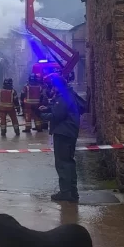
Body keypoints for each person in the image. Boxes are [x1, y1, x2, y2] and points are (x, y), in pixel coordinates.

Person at [39, 74, 80, 202]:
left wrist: (40, 114)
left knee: (62, 164)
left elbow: (57, 115)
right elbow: (61, 109)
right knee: (69, 163)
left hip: (63, 133)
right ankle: (73, 192)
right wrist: (49, 107)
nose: (52, 88)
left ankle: (65, 193)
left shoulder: (63, 97)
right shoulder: (68, 94)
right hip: (69, 132)